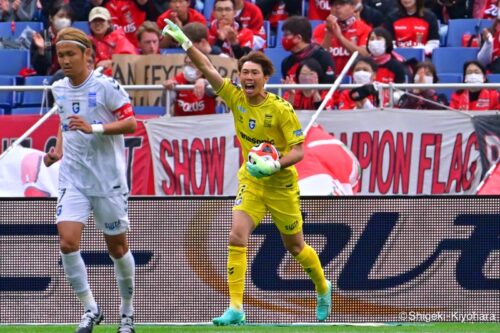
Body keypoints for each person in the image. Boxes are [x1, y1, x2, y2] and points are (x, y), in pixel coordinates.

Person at [162, 18, 332, 325]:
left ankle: (322, 287)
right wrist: (185, 43)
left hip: (281, 185)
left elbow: (298, 151)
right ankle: (236, 307)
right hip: (251, 181)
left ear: (265, 77)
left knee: (294, 246)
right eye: (244, 72)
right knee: (236, 237)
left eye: (254, 73)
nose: (247, 77)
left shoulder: (280, 109)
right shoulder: (235, 97)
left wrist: (274, 164)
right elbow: (208, 68)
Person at [43, 27, 137, 333]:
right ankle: (90, 308)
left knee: (118, 249)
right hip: (74, 178)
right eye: (61, 55)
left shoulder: (107, 86)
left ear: (87, 55)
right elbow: (65, 121)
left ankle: (127, 311)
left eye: (71, 54)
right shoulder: (58, 88)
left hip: (107, 180)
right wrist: (58, 149)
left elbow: (132, 122)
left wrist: (93, 129)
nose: (66, 60)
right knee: (67, 243)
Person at [313, 0, 371, 74]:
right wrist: (329, 33)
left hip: (353, 80)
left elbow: (365, 55)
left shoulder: (364, 28)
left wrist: (340, 37)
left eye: (342, 3)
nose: (337, 7)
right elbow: (318, 59)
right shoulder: (320, 29)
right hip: (329, 79)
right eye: (333, 4)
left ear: (353, 7)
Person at [281, 16, 336, 84]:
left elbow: (329, 87)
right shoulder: (286, 63)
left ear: (298, 38)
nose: (283, 38)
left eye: (286, 35)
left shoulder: (323, 57)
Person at [88, 6, 138, 75]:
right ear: (89, 24)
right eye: (94, 21)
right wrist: (97, 63)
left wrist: (111, 62)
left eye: (101, 20)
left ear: (109, 23)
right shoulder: (86, 42)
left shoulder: (119, 39)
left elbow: (130, 59)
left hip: (117, 79)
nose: (97, 23)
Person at [31, 1, 74, 75]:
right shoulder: (42, 36)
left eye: (67, 17)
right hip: (47, 79)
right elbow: (38, 69)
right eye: (61, 16)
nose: (64, 20)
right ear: (51, 18)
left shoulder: (74, 37)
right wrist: (41, 50)